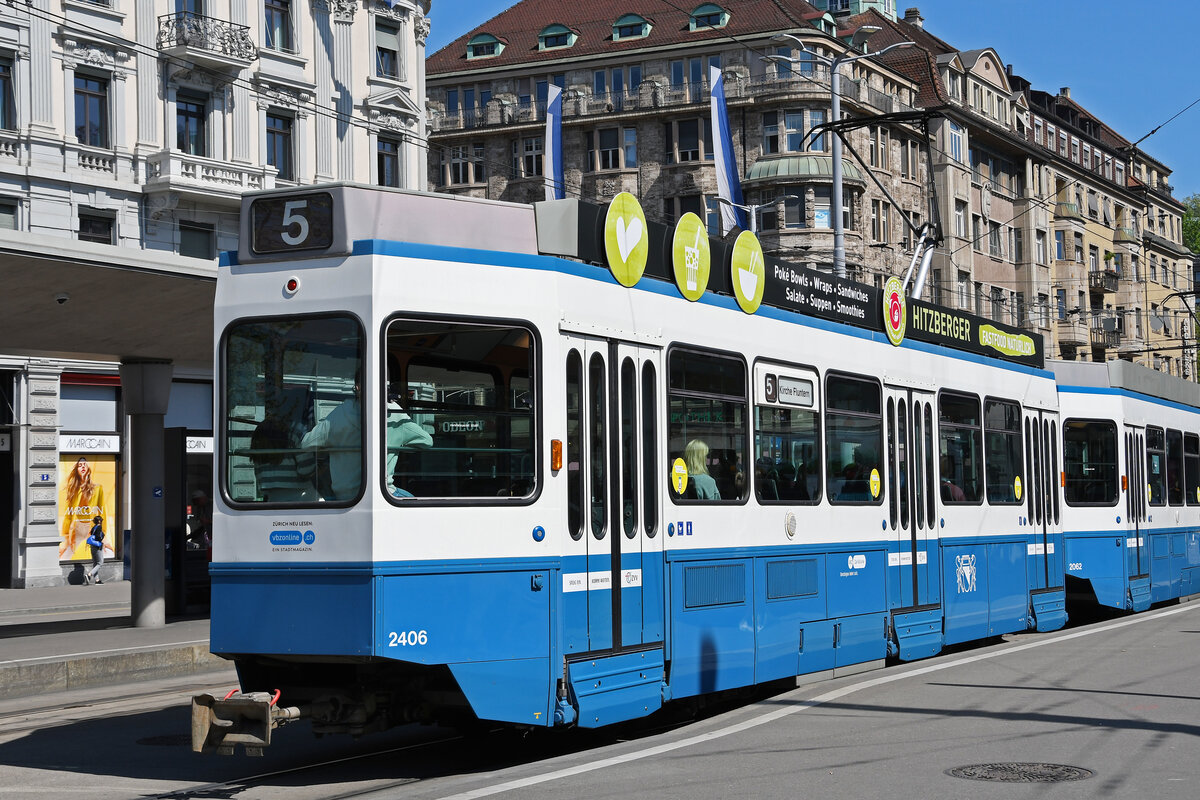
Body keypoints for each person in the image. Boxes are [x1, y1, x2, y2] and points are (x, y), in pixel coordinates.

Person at [300, 370, 363, 500]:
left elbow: (306, 443)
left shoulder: (338, 415)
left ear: (357, 387)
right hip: (382, 492)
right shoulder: (394, 414)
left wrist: (328, 446)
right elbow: (418, 439)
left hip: (343, 494)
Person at [251, 416, 315, 502]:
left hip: (270, 496)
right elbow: (306, 470)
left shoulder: (260, 433)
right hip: (299, 496)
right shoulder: (296, 432)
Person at [385, 392, 432, 497]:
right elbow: (427, 441)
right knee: (415, 505)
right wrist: (399, 445)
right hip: (386, 490)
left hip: (341, 489)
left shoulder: (341, 412)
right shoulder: (394, 411)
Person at [60, 457, 106, 559]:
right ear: (77, 470)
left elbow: (102, 512)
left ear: (88, 468)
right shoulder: (73, 490)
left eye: (85, 465)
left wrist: (103, 533)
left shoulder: (98, 488)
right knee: (67, 556)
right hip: (77, 528)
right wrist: (66, 538)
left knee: (100, 555)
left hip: (91, 526)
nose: (82, 467)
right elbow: (68, 515)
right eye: (80, 466)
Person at [84, 516, 112, 585]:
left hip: (92, 546)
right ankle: (89, 574)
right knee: (100, 562)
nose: (102, 522)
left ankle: (97, 580)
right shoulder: (99, 527)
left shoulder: (93, 528)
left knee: (95, 563)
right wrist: (102, 540)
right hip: (97, 546)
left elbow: (92, 535)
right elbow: (98, 537)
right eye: (101, 521)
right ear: (99, 521)